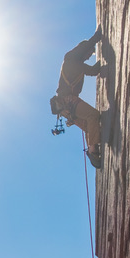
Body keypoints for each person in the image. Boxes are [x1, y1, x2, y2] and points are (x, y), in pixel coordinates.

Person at [52, 27, 106, 168]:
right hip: (68, 101)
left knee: (91, 126)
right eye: (89, 53)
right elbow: (86, 53)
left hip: (65, 107)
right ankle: (93, 151)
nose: (89, 56)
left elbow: (93, 71)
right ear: (83, 51)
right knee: (93, 116)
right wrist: (96, 37)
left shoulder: (76, 65)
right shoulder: (70, 60)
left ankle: (93, 150)